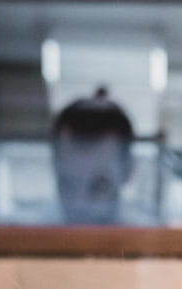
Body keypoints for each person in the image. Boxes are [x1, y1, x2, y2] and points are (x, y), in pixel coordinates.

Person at [52, 86, 135, 224]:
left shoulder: (155, 238)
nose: (79, 205)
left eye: (99, 187)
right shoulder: (27, 235)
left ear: (129, 170)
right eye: (67, 185)